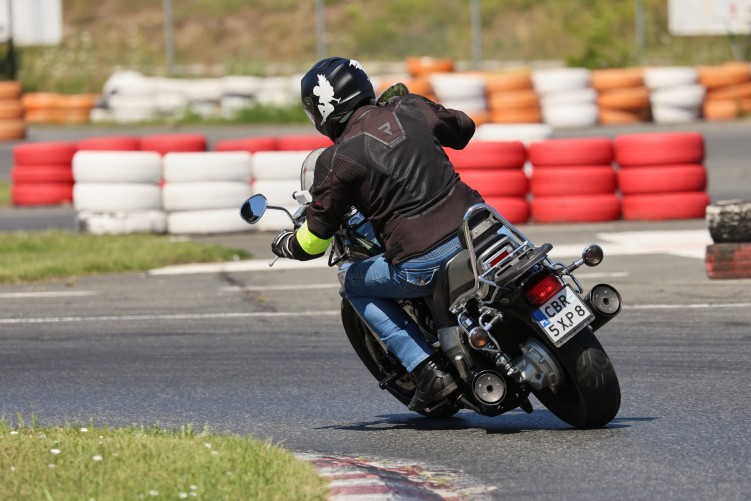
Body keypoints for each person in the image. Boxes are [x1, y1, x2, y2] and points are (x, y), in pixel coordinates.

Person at [271, 56, 483, 411]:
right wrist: (423, 110)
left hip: (424, 257)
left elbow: (315, 238)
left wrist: (287, 243)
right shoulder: (411, 107)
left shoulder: (339, 159)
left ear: (323, 109)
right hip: (480, 228)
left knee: (351, 281)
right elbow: (463, 128)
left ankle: (428, 371)